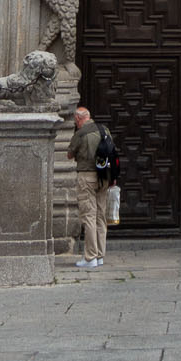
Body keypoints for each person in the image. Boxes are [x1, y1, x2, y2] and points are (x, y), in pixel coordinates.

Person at [67, 102, 112, 267]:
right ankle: (100, 255)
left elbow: (69, 154)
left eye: (75, 121)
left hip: (86, 177)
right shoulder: (104, 130)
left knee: (89, 216)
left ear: (79, 119)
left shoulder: (80, 133)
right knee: (101, 216)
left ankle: (90, 257)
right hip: (104, 177)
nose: (76, 123)